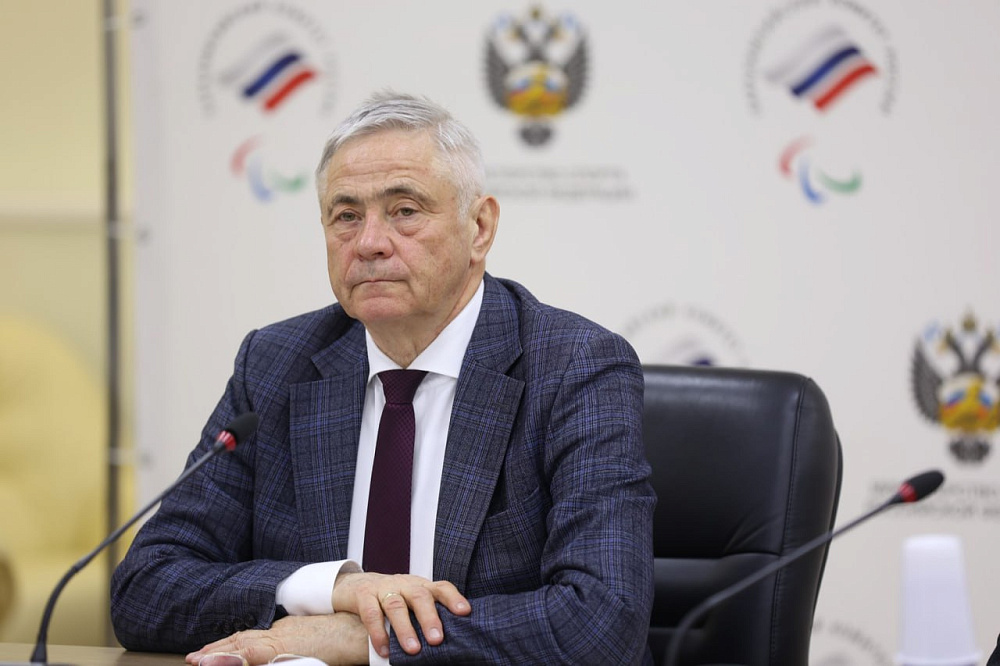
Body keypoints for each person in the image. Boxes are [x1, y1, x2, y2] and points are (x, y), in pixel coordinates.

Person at [111, 92, 655, 665]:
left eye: (405, 211)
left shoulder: (575, 367)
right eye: (346, 216)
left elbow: (603, 622)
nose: (369, 242)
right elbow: (144, 589)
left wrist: (366, 641)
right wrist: (330, 589)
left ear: (479, 228)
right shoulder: (275, 364)